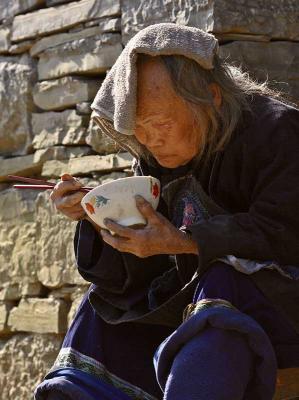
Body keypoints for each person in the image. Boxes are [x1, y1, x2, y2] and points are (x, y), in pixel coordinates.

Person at [35, 23, 299, 400]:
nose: (151, 140)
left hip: (279, 308)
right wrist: (97, 218)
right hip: (199, 311)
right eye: (140, 128)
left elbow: (286, 231)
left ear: (211, 98)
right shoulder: (157, 156)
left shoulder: (277, 131)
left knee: (222, 280)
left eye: (161, 123)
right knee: (104, 305)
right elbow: (144, 271)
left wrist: (185, 242)